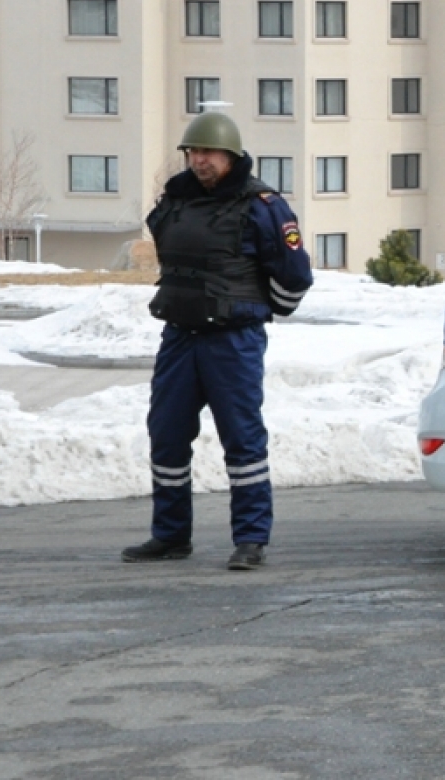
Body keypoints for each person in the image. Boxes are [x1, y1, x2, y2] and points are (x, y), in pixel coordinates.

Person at [123, 109, 312, 570]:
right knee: (165, 436)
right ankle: (169, 535)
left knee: (242, 441)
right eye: (193, 152)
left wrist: (264, 309)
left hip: (233, 341)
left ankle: (251, 539)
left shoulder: (263, 206)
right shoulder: (176, 201)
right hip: (180, 337)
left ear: (230, 155)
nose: (199, 160)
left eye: (208, 152)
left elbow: (294, 276)